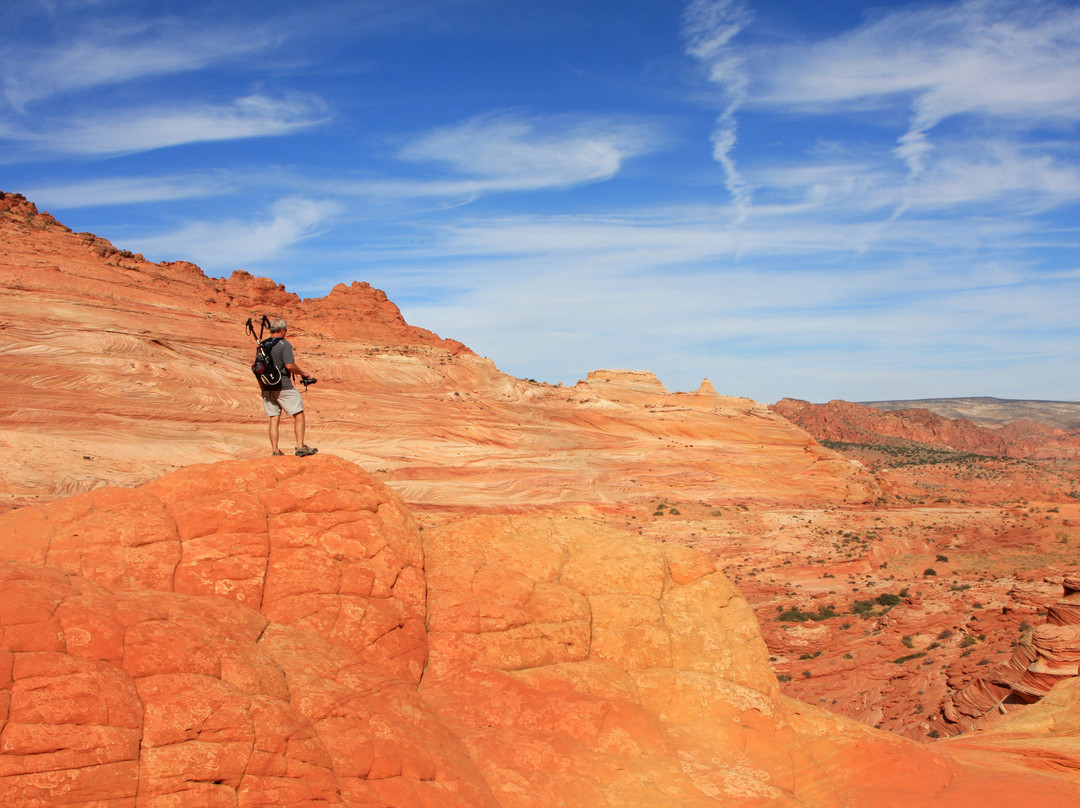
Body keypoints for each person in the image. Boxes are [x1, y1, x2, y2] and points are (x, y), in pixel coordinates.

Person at [259, 318, 317, 456]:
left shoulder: (263, 345)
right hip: (283, 385)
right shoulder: (284, 344)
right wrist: (303, 373)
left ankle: (275, 450)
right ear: (283, 330)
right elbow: (289, 365)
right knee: (299, 414)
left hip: (267, 386)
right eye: (286, 329)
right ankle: (300, 446)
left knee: (274, 418)